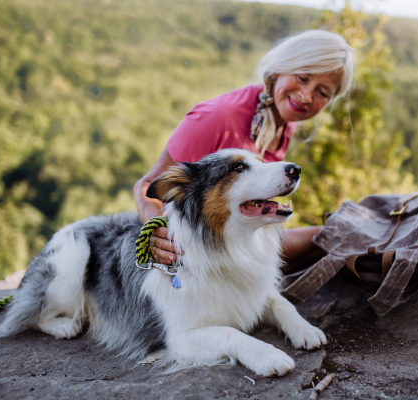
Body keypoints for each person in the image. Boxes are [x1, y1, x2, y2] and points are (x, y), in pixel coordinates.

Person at [133, 30, 354, 273]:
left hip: (238, 247)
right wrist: (157, 227)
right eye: (302, 77)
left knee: (339, 235)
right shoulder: (216, 117)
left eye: (323, 93)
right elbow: (149, 184)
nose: (306, 96)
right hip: (195, 255)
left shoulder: (286, 123)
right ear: (281, 67)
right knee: (333, 237)